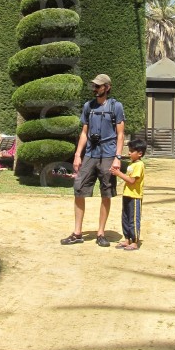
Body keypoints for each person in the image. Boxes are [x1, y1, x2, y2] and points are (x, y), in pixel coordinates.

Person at [61, 73, 125, 247]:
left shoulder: (116, 107)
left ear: (107, 87)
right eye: (94, 86)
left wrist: (117, 158)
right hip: (90, 153)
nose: (95, 89)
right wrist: (77, 155)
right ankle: (77, 232)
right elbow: (84, 132)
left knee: (106, 192)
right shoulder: (88, 107)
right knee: (78, 188)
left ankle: (101, 233)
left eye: (98, 86)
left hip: (109, 154)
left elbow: (120, 135)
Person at [111, 138, 146, 250]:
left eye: (131, 151)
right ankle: (127, 239)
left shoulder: (139, 165)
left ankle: (135, 242)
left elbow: (131, 180)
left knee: (133, 219)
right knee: (125, 218)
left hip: (135, 196)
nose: (129, 153)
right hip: (127, 195)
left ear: (140, 153)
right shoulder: (132, 163)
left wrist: (118, 173)